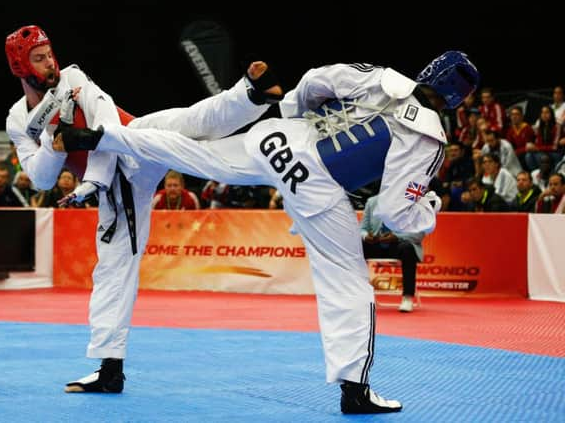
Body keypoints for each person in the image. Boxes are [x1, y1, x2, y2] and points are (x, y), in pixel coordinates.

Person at [58, 50, 480, 414]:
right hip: (318, 186)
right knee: (346, 282)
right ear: (458, 97)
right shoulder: (428, 137)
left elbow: (318, 79)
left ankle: (104, 138)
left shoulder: (384, 79)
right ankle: (355, 390)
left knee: (200, 156)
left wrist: (297, 112)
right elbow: (394, 213)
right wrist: (429, 208)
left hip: (281, 141)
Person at [5, 25, 281, 395]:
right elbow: (39, 179)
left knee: (184, 123)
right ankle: (110, 369)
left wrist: (92, 182)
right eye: (39, 59)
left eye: (49, 54)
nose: (50, 63)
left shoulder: (73, 78)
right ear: (20, 66)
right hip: (120, 189)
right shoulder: (18, 121)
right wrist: (54, 147)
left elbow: (104, 122)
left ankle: (250, 93)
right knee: (114, 270)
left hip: (131, 143)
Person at [360, 195, 424, 312]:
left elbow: (418, 234)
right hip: (377, 243)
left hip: (398, 245)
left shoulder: (410, 203)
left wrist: (396, 237)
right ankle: (358, 295)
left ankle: (407, 298)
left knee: (408, 248)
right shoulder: (372, 201)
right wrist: (366, 236)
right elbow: (362, 229)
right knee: (358, 246)